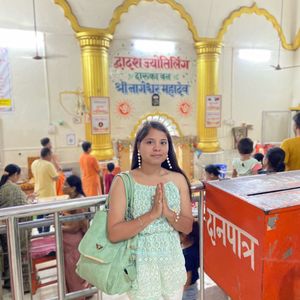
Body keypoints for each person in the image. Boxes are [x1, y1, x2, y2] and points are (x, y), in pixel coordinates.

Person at [108, 121, 193, 300]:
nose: (157, 148)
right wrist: (152, 214)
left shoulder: (178, 179)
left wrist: (168, 213)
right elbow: (114, 233)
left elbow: (187, 227)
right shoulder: (124, 181)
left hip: (172, 262)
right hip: (140, 265)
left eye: (163, 142)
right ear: (138, 146)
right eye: (150, 142)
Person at [0, 164, 32, 292]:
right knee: (19, 254)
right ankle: (22, 285)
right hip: (16, 227)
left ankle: (8, 281)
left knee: (8, 255)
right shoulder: (14, 188)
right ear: (15, 175)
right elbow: (24, 209)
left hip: (3, 227)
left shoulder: (2, 186)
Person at [62, 175, 89, 298]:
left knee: (73, 270)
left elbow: (75, 227)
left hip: (77, 239)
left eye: (65, 185)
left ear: (73, 188)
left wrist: (58, 226)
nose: (62, 187)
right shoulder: (71, 198)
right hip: (73, 236)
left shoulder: (79, 202)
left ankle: (78, 294)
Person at [31, 147, 58, 233]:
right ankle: (46, 233)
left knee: (39, 215)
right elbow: (56, 177)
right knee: (48, 216)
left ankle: (39, 232)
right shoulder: (48, 164)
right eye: (51, 154)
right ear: (48, 155)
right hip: (48, 194)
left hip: (37, 193)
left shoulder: (34, 163)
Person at [180, 221, 200, 300]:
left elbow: (188, 278)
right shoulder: (195, 246)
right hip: (192, 287)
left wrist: (181, 291)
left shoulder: (187, 256)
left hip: (186, 290)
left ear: (185, 236)